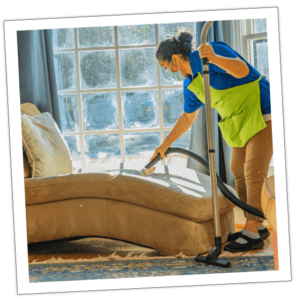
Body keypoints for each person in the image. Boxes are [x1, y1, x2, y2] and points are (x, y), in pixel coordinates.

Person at [150, 30, 273, 252]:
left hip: (263, 109)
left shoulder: (209, 52)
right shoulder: (189, 85)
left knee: (252, 171)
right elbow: (187, 117)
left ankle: (252, 232)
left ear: (175, 59)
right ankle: (255, 225)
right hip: (238, 121)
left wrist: (214, 58)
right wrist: (165, 145)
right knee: (237, 170)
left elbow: (242, 70)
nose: (167, 71)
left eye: (166, 67)